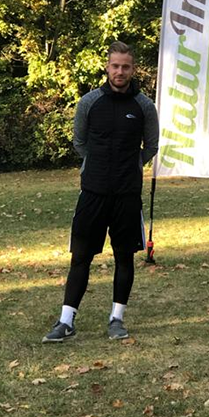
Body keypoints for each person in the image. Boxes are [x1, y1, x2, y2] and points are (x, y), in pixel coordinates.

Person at [43, 41, 159, 342]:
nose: (120, 72)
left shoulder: (145, 107)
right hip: (92, 193)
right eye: (115, 66)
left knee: (124, 257)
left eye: (126, 67)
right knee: (80, 257)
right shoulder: (89, 103)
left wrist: (129, 167)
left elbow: (152, 146)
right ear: (107, 67)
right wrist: (96, 167)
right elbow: (80, 143)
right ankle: (66, 322)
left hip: (127, 195)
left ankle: (116, 319)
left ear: (134, 70)